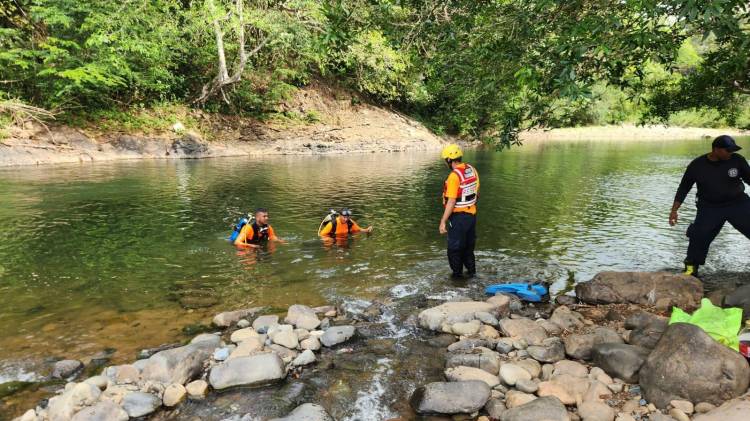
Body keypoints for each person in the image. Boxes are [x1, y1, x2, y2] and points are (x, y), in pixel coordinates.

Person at [670, 135, 750, 276]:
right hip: (710, 208)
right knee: (699, 236)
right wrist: (674, 211)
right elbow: (683, 188)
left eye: (732, 150)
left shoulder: (737, 160)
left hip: (738, 204)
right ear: (716, 149)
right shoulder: (697, 165)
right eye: (728, 150)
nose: (731, 153)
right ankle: (690, 269)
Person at [439, 144, 479, 277]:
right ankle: (472, 274)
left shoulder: (454, 177)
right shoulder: (472, 169)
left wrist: (443, 221)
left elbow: (451, 201)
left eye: (446, 160)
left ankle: (457, 278)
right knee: (468, 248)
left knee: (454, 249)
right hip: (471, 216)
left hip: (458, 218)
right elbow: (476, 193)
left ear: (449, 160)